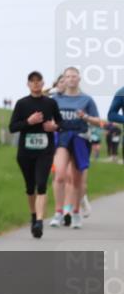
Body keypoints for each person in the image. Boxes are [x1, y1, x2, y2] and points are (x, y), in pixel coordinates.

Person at [8, 72, 62, 238]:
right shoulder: (22, 104)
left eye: (39, 81)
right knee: (30, 187)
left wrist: (54, 127)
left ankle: (39, 221)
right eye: (33, 82)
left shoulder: (50, 103)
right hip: (25, 152)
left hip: (45, 152)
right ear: (28, 84)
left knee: (41, 184)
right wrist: (28, 122)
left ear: (43, 83)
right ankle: (33, 215)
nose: (36, 84)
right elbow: (12, 127)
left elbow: (61, 123)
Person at [51, 67, 102, 229]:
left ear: (79, 79)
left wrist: (85, 117)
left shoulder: (86, 99)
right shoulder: (56, 99)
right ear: (63, 80)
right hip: (63, 137)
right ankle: (58, 212)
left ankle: (76, 212)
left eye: (74, 76)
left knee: (76, 179)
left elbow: (98, 121)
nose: (71, 79)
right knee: (59, 175)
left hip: (80, 138)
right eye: (68, 76)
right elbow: (50, 119)